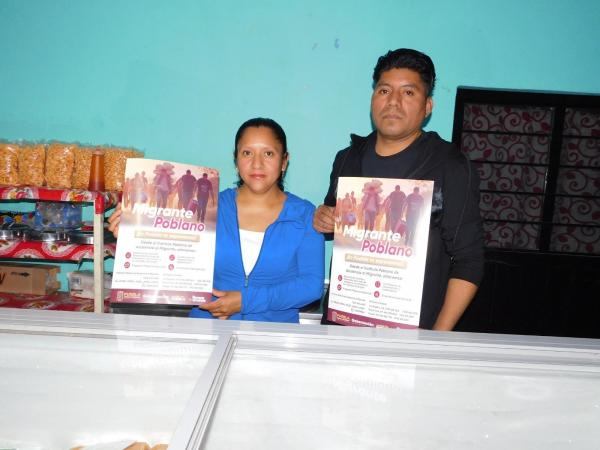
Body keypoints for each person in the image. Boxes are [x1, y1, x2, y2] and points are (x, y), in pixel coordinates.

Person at [313, 48, 484, 331]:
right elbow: (334, 221)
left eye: (408, 93)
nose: (393, 101)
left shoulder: (449, 165)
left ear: (427, 106)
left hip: (412, 336)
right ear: (373, 98)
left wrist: (437, 339)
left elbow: (469, 259)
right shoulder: (348, 158)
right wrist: (323, 218)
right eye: (384, 91)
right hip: (343, 327)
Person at [109, 117, 324, 323]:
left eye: (268, 153)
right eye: (247, 153)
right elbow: (167, 259)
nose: (257, 164)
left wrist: (245, 302)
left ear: (284, 161)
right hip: (207, 331)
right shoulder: (206, 209)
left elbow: (310, 286)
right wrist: (132, 234)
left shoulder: (305, 215)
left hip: (273, 338)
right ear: (236, 160)